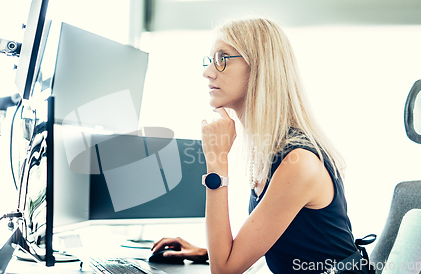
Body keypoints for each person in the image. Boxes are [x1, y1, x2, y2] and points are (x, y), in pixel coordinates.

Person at [151, 18, 374, 274]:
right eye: (210, 60)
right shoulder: (270, 150)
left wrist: (217, 162)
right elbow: (281, 243)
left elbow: (224, 271)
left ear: (259, 68)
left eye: (222, 59)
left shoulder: (299, 162)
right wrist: (208, 252)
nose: (208, 72)